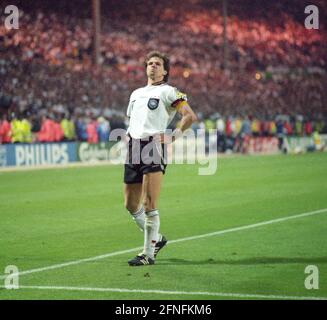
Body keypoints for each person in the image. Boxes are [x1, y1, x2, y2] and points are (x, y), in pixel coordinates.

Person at [124, 51, 197, 266]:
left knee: (149, 203)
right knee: (130, 204)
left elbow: (189, 116)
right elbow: (134, 120)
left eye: (157, 64)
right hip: (133, 147)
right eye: (150, 63)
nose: (153, 66)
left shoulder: (168, 91)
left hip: (153, 146)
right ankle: (158, 239)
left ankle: (148, 254)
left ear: (165, 70)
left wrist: (172, 136)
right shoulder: (135, 93)